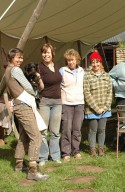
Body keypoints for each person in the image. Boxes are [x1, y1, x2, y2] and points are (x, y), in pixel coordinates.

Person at [0, 48, 48, 181]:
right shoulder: (15, 70)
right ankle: (33, 170)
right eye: (18, 57)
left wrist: (10, 99)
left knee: (24, 136)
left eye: (21, 58)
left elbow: (2, 88)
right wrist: (35, 93)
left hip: (18, 105)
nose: (20, 60)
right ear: (11, 57)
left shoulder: (7, 72)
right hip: (24, 105)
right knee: (36, 137)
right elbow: (27, 86)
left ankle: (19, 165)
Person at [84, 51, 112, 157]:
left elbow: (110, 93)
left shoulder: (107, 76)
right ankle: (92, 149)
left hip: (104, 109)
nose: (95, 64)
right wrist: (96, 108)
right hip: (92, 109)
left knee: (102, 129)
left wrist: (105, 107)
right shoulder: (87, 76)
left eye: (97, 62)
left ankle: (100, 148)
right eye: (93, 62)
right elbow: (87, 93)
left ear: (100, 62)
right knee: (93, 129)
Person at [38, 43, 62, 166]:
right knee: (43, 131)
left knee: (55, 131)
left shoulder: (57, 66)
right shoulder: (39, 68)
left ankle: (55, 156)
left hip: (58, 102)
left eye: (48, 52)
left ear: (52, 54)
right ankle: (42, 157)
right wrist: (39, 79)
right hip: (45, 101)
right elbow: (40, 88)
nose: (46, 55)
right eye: (44, 52)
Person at [59, 49, 84, 162]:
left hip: (79, 103)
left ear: (77, 60)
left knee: (77, 129)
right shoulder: (62, 71)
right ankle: (65, 152)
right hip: (67, 103)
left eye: (72, 60)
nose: (70, 62)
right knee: (66, 129)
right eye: (68, 60)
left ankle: (76, 150)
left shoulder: (82, 71)